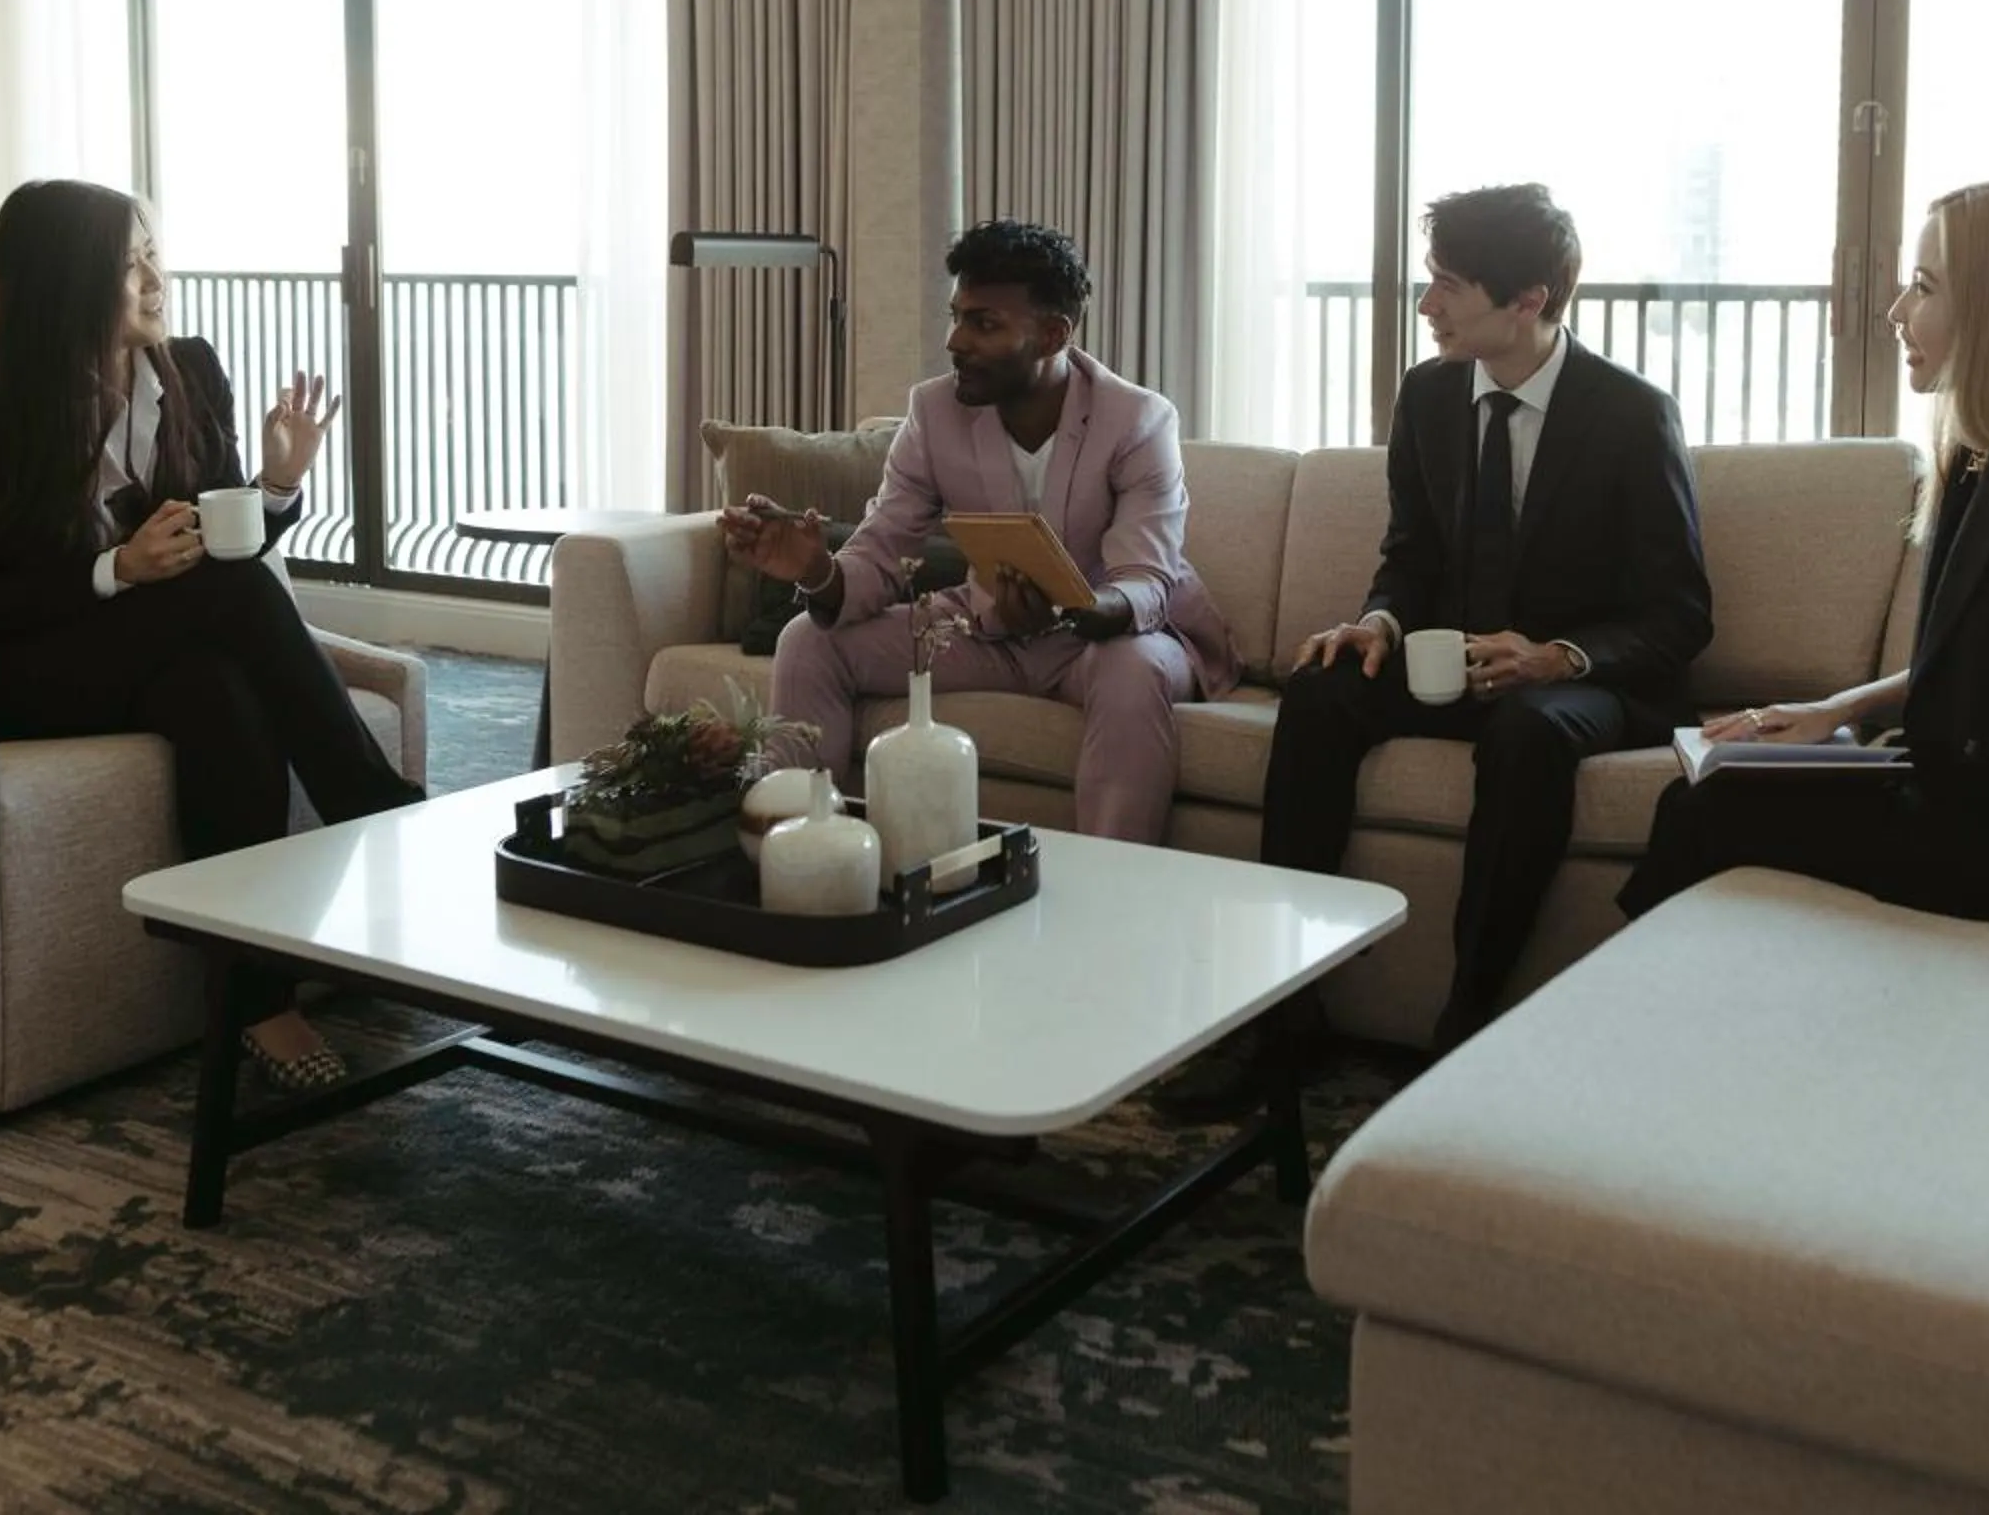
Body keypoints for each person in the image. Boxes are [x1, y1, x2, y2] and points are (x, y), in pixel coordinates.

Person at [0, 179, 425, 1089]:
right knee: (241, 606)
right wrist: (113, 570)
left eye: (151, 252)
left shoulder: (189, 371)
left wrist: (278, 487)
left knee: (216, 693)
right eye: (127, 261)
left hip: (141, 653)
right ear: (63, 281)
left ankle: (257, 1001)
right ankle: (384, 821)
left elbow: (220, 548)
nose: (154, 275)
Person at [1614, 176, 1989, 978]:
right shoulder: (1986, 460)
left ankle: (1637, 1025)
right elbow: (1988, 662)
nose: (1898, 311)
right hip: (1975, 794)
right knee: (1709, 795)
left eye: (1925, 287)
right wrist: (1836, 710)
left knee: (1712, 809)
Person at [1258, 183, 1713, 1055]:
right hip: (1448, 662)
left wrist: (1556, 656)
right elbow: (1410, 556)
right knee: (1319, 691)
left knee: (1527, 733)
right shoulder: (1428, 398)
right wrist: (1380, 625)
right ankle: (1287, 1012)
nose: (1426, 305)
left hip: (1581, 683)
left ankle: (1466, 1016)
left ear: (1529, 299)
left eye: (1448, 285)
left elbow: (1680, 612)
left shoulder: (1630, 414)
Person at [722, 219, 1239, 843]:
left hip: (1111, 635)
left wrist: (1072, 607)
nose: (956, 341)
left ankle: (1117, 889)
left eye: (984, 324)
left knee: (1135, 672)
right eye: (956, 317)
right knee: (809, 638)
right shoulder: (934, 412)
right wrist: (819, 572)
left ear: (1053, 334)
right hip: (986, 626)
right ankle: (802, 849)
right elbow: (885, 547)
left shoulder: (1137, 419)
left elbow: (1145, 581)